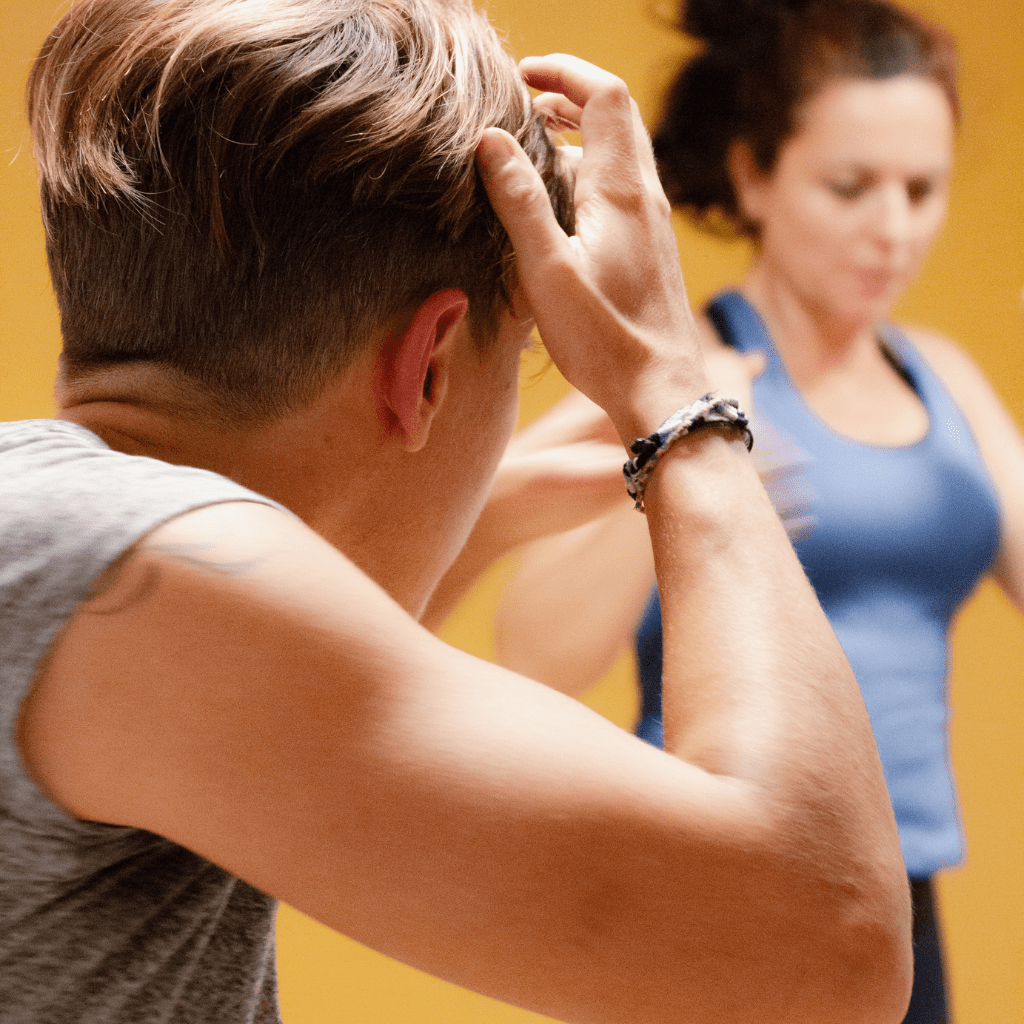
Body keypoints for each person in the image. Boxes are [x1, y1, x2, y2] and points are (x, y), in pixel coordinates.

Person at [0, 1, 913, 1021]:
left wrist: (487, 510)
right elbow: (828, 949)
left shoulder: (60, 545)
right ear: (426, 365)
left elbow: (313, 694)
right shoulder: (155, 581)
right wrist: (672, 401)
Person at [492, 2, 1024, 1022]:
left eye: (921, 189)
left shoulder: (942, 382)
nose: (893, 228)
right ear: (753, 176)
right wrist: (685, 453)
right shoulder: (672, 377)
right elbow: (535, 648)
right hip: (716, 887)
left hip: (897, 898)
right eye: (850, 186)